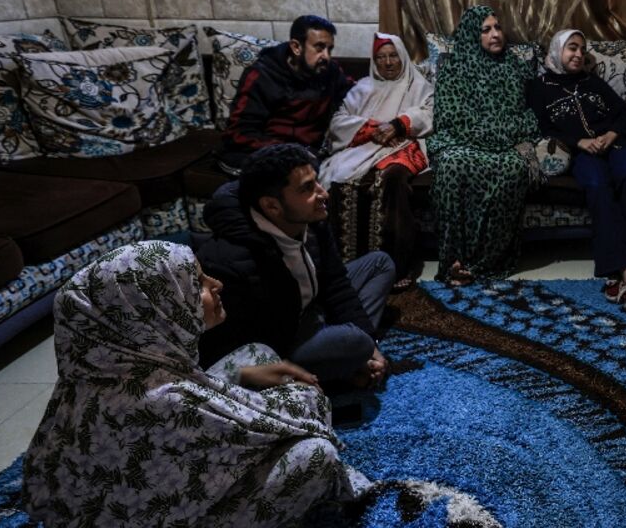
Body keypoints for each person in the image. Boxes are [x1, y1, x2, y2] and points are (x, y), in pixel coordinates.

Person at [22, 241, 372, 527]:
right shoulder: (164, 400)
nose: (216, 286)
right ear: (155, 309)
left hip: (134, 490)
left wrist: (243, 381)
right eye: (198, 285)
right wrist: (309, 395)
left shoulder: (106, 367)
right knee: (315, 455)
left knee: (254, 354)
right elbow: (280, 420)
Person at [193, 143, 394, 386]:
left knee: (379, 264)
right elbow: (226, 347)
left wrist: (372, 347)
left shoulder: (310, 218)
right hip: (279, 343)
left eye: (317, 182)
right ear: (271, 206)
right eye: (307, 188)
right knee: (355, 342)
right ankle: (326, 376)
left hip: (310, 308)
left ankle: (352, 360)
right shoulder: (231, 259)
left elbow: (336, 282)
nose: (323, 194)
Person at [527, 29, 626, 310]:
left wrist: (611, 135)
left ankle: (617, 277)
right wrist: (578, 141)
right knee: (596, 184)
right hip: (582, 153)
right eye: (572, 48)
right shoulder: (538, 88)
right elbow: (541, 128)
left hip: (618, 146)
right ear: (557, 51)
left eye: (582, 49)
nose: (579, 54)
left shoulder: (592, 83)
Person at [426, 5, 538, 285]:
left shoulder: (516, 68)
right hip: (461, 143)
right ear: (471, 35)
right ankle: (453, 260)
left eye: (497, 28)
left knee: (514, 168)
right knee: (452, 164)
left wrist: (500, 133)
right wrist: (500, 132)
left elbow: (530, 118)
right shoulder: (453, 68)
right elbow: (451, 119)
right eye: (486, 30)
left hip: (503, 149)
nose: (495, 34)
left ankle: (485, 263)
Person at [319, 33, 434, 281]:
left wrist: (399, 124)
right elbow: (339, 122)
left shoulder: (418, 85)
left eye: (393, 55)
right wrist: (372, 130)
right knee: (340, 180)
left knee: (391, 179)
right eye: (381, 57)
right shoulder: (363, 88)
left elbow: (430, 113)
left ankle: (395, 267)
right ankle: (347, 267)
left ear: (402, 56)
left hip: (403, 146)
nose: (389, 62)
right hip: (363, 147)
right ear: (374, 61)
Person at [218, 14, 354, 175]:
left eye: (329, 49)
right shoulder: (263, 76)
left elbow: (354, 95)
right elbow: (239, 133)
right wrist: (288, 152)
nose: (326, 56)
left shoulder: (330, 72)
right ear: (296, 47)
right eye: (319, 47)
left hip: (310, 152)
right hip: (269, 151)